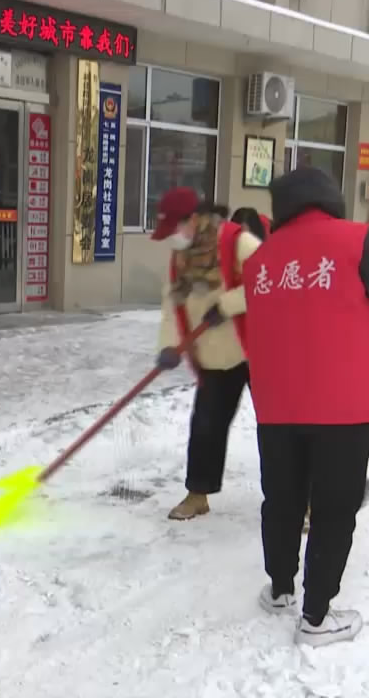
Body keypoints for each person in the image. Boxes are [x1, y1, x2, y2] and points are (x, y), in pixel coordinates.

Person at [243, 167, 369, 647]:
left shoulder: (260, 260)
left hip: (277, 405)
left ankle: (280, 589)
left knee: (281, 499)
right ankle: (318, 618)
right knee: (332, 507)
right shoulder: (357, 241)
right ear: (331, 199)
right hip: (342, 405)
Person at [150, 188, 263, 521]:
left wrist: (228, 305)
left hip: (258, 349)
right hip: (215, 355)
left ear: (195, 219)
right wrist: (168, 346)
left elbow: (269, 278)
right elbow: (172, 305)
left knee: (278, 432)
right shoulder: (181, 258)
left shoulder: (236, 242)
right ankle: (198, 494)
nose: (173, 239)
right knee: (206, 426)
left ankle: (299, 500)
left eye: (175, 229)